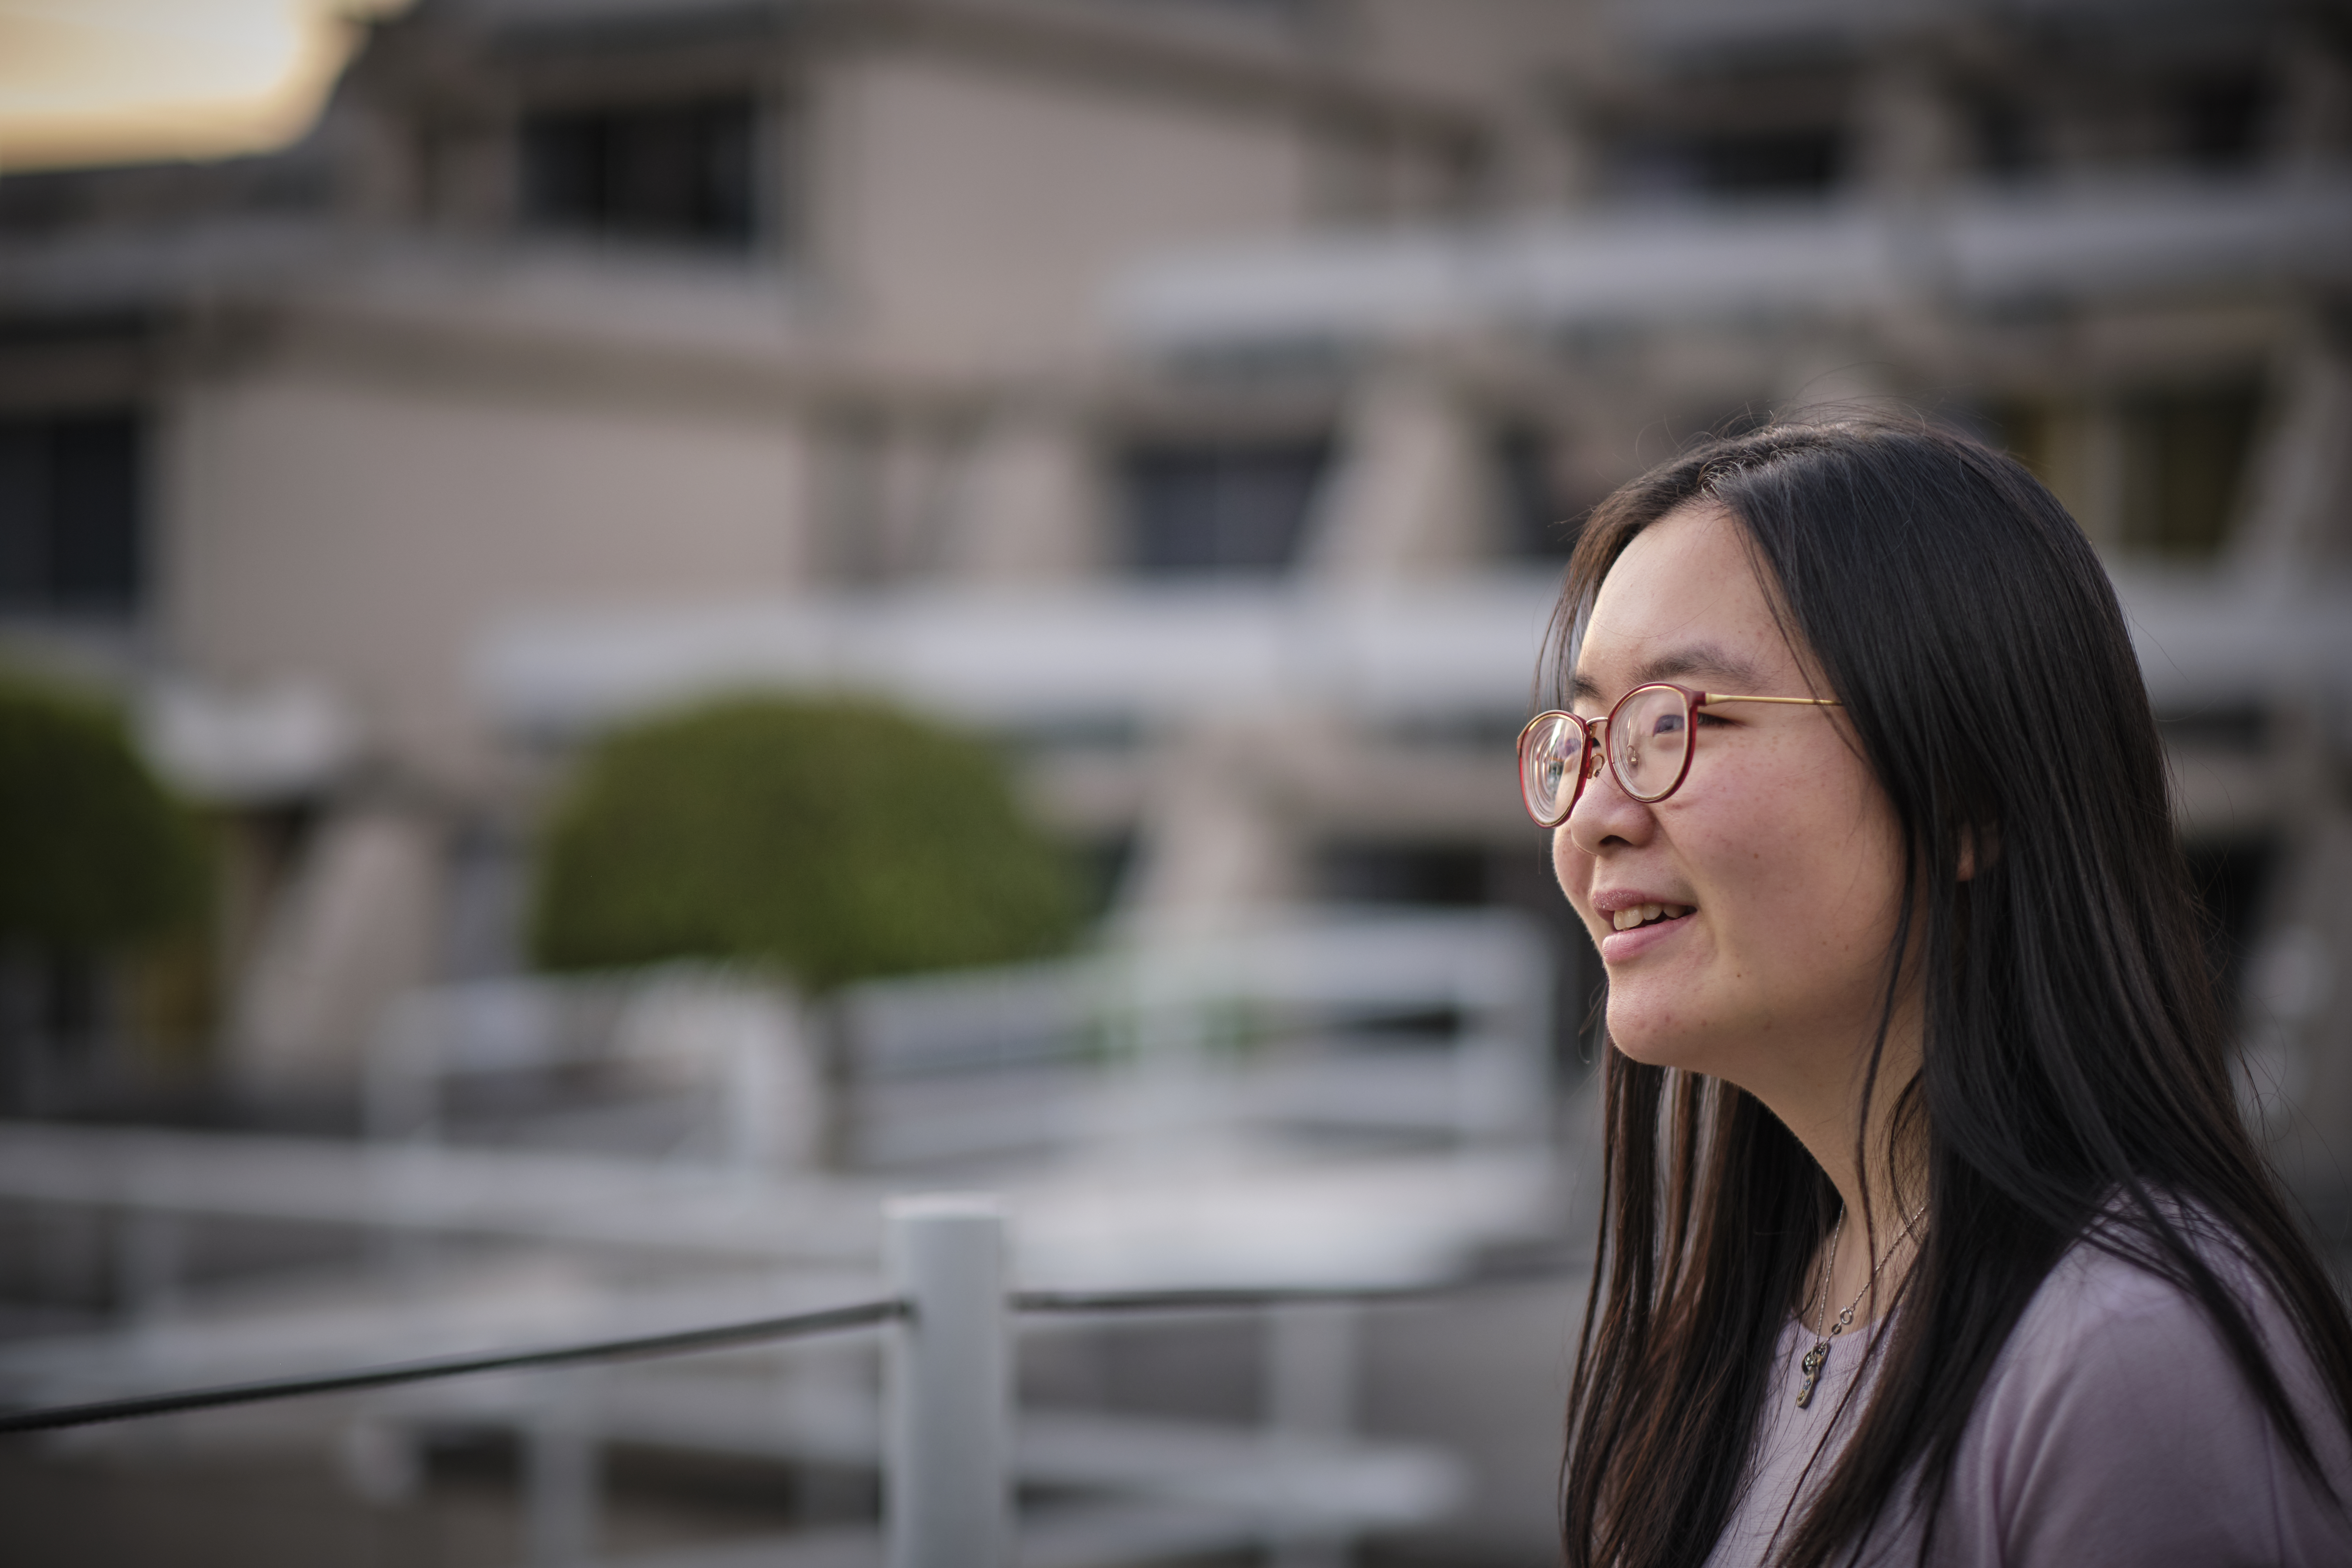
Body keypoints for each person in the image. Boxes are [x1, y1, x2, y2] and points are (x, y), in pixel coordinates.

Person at [1521, 416, 2352, 1567]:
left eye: (1674, 723)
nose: (1595, 814)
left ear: (1964, 793)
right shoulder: (1728, 1334)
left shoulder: (2127, 1355)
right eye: (1582, 736)